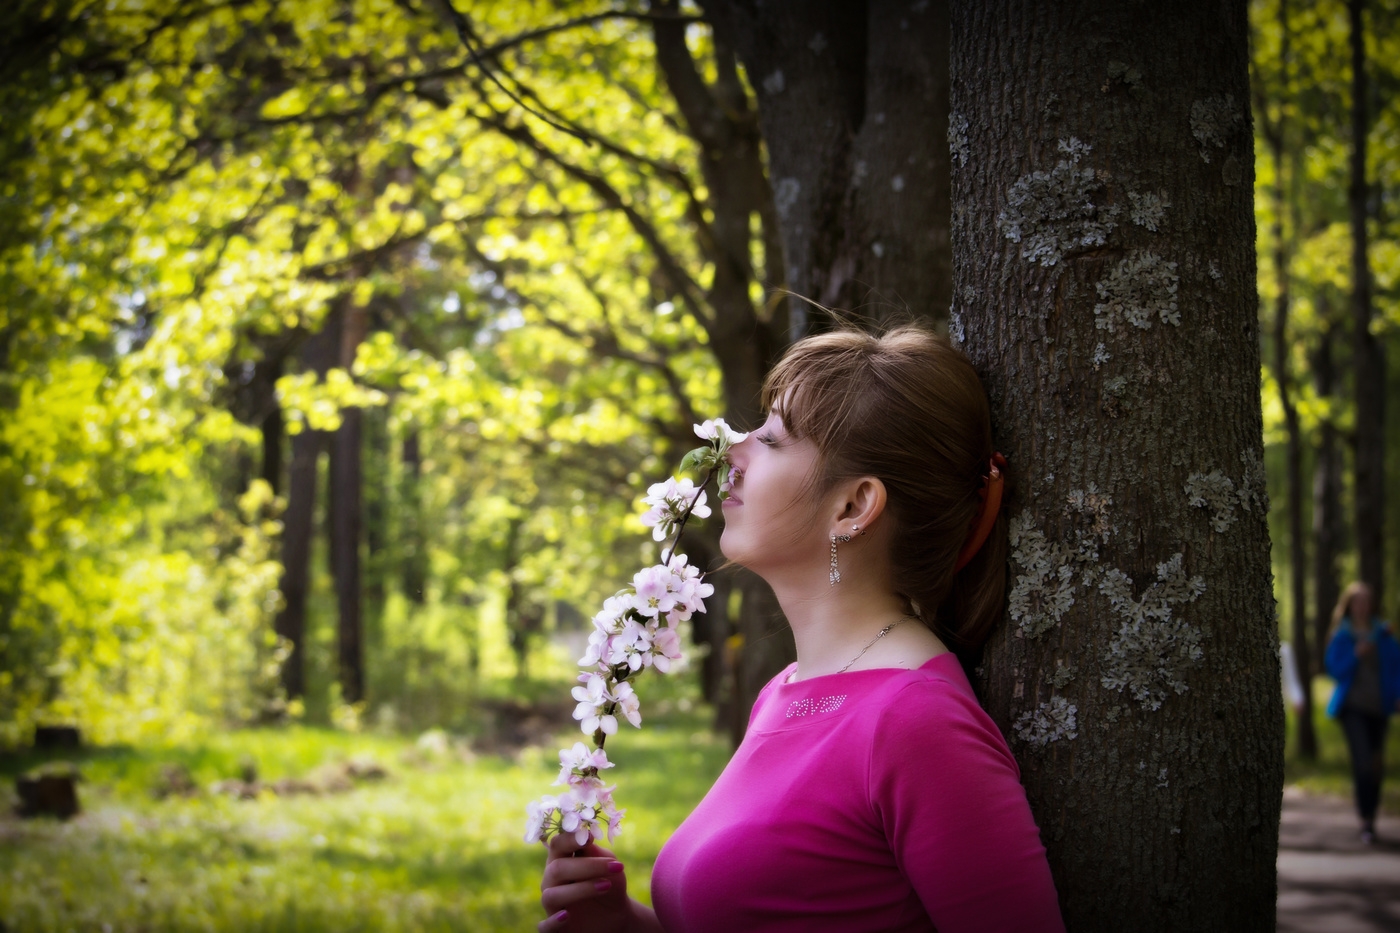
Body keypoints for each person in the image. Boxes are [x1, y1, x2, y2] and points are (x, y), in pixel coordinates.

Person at [538, 326, 1064, 932]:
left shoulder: (916, 721)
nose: (731, 451)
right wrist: (624, 924)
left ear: (853, 507)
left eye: (771, 439)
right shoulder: (787, 690)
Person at [1324, 581, 1400, 844]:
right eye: (1357, 602)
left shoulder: (1383, 633)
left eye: (1366, 601)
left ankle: (1371, 817)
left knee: (1376, 765)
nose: (1362, 607)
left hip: (1380, 707)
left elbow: (1396, 667)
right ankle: (1365, 818)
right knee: (1364, 761)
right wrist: (1356, 654)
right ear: (1349, 606)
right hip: (1353, 707)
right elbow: (1334, 669)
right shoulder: (1342, 635)